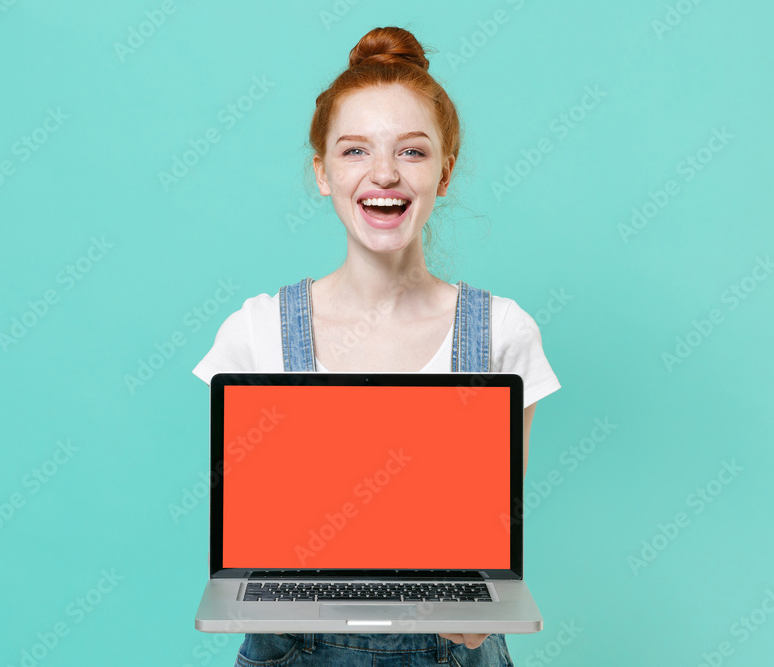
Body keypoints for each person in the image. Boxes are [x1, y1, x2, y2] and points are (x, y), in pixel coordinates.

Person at [191, 25, 561, 667]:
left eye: (412, 153)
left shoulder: (503, 332)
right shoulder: (252, 331)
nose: (384, 173)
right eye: (355, 150)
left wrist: (479, 607)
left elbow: (491, 541)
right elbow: (248, 526)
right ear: (322, 172)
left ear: (444, 174)